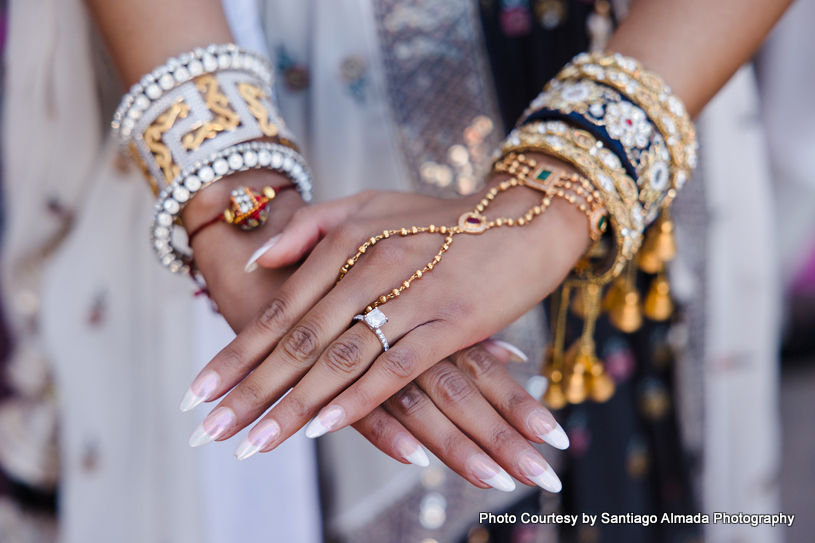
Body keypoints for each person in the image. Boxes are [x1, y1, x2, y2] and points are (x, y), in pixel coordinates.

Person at [0, 0, 793, 542]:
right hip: (241, 59)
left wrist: (570, 180)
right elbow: (232, 194)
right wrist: (225, 179)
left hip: (646, 56)